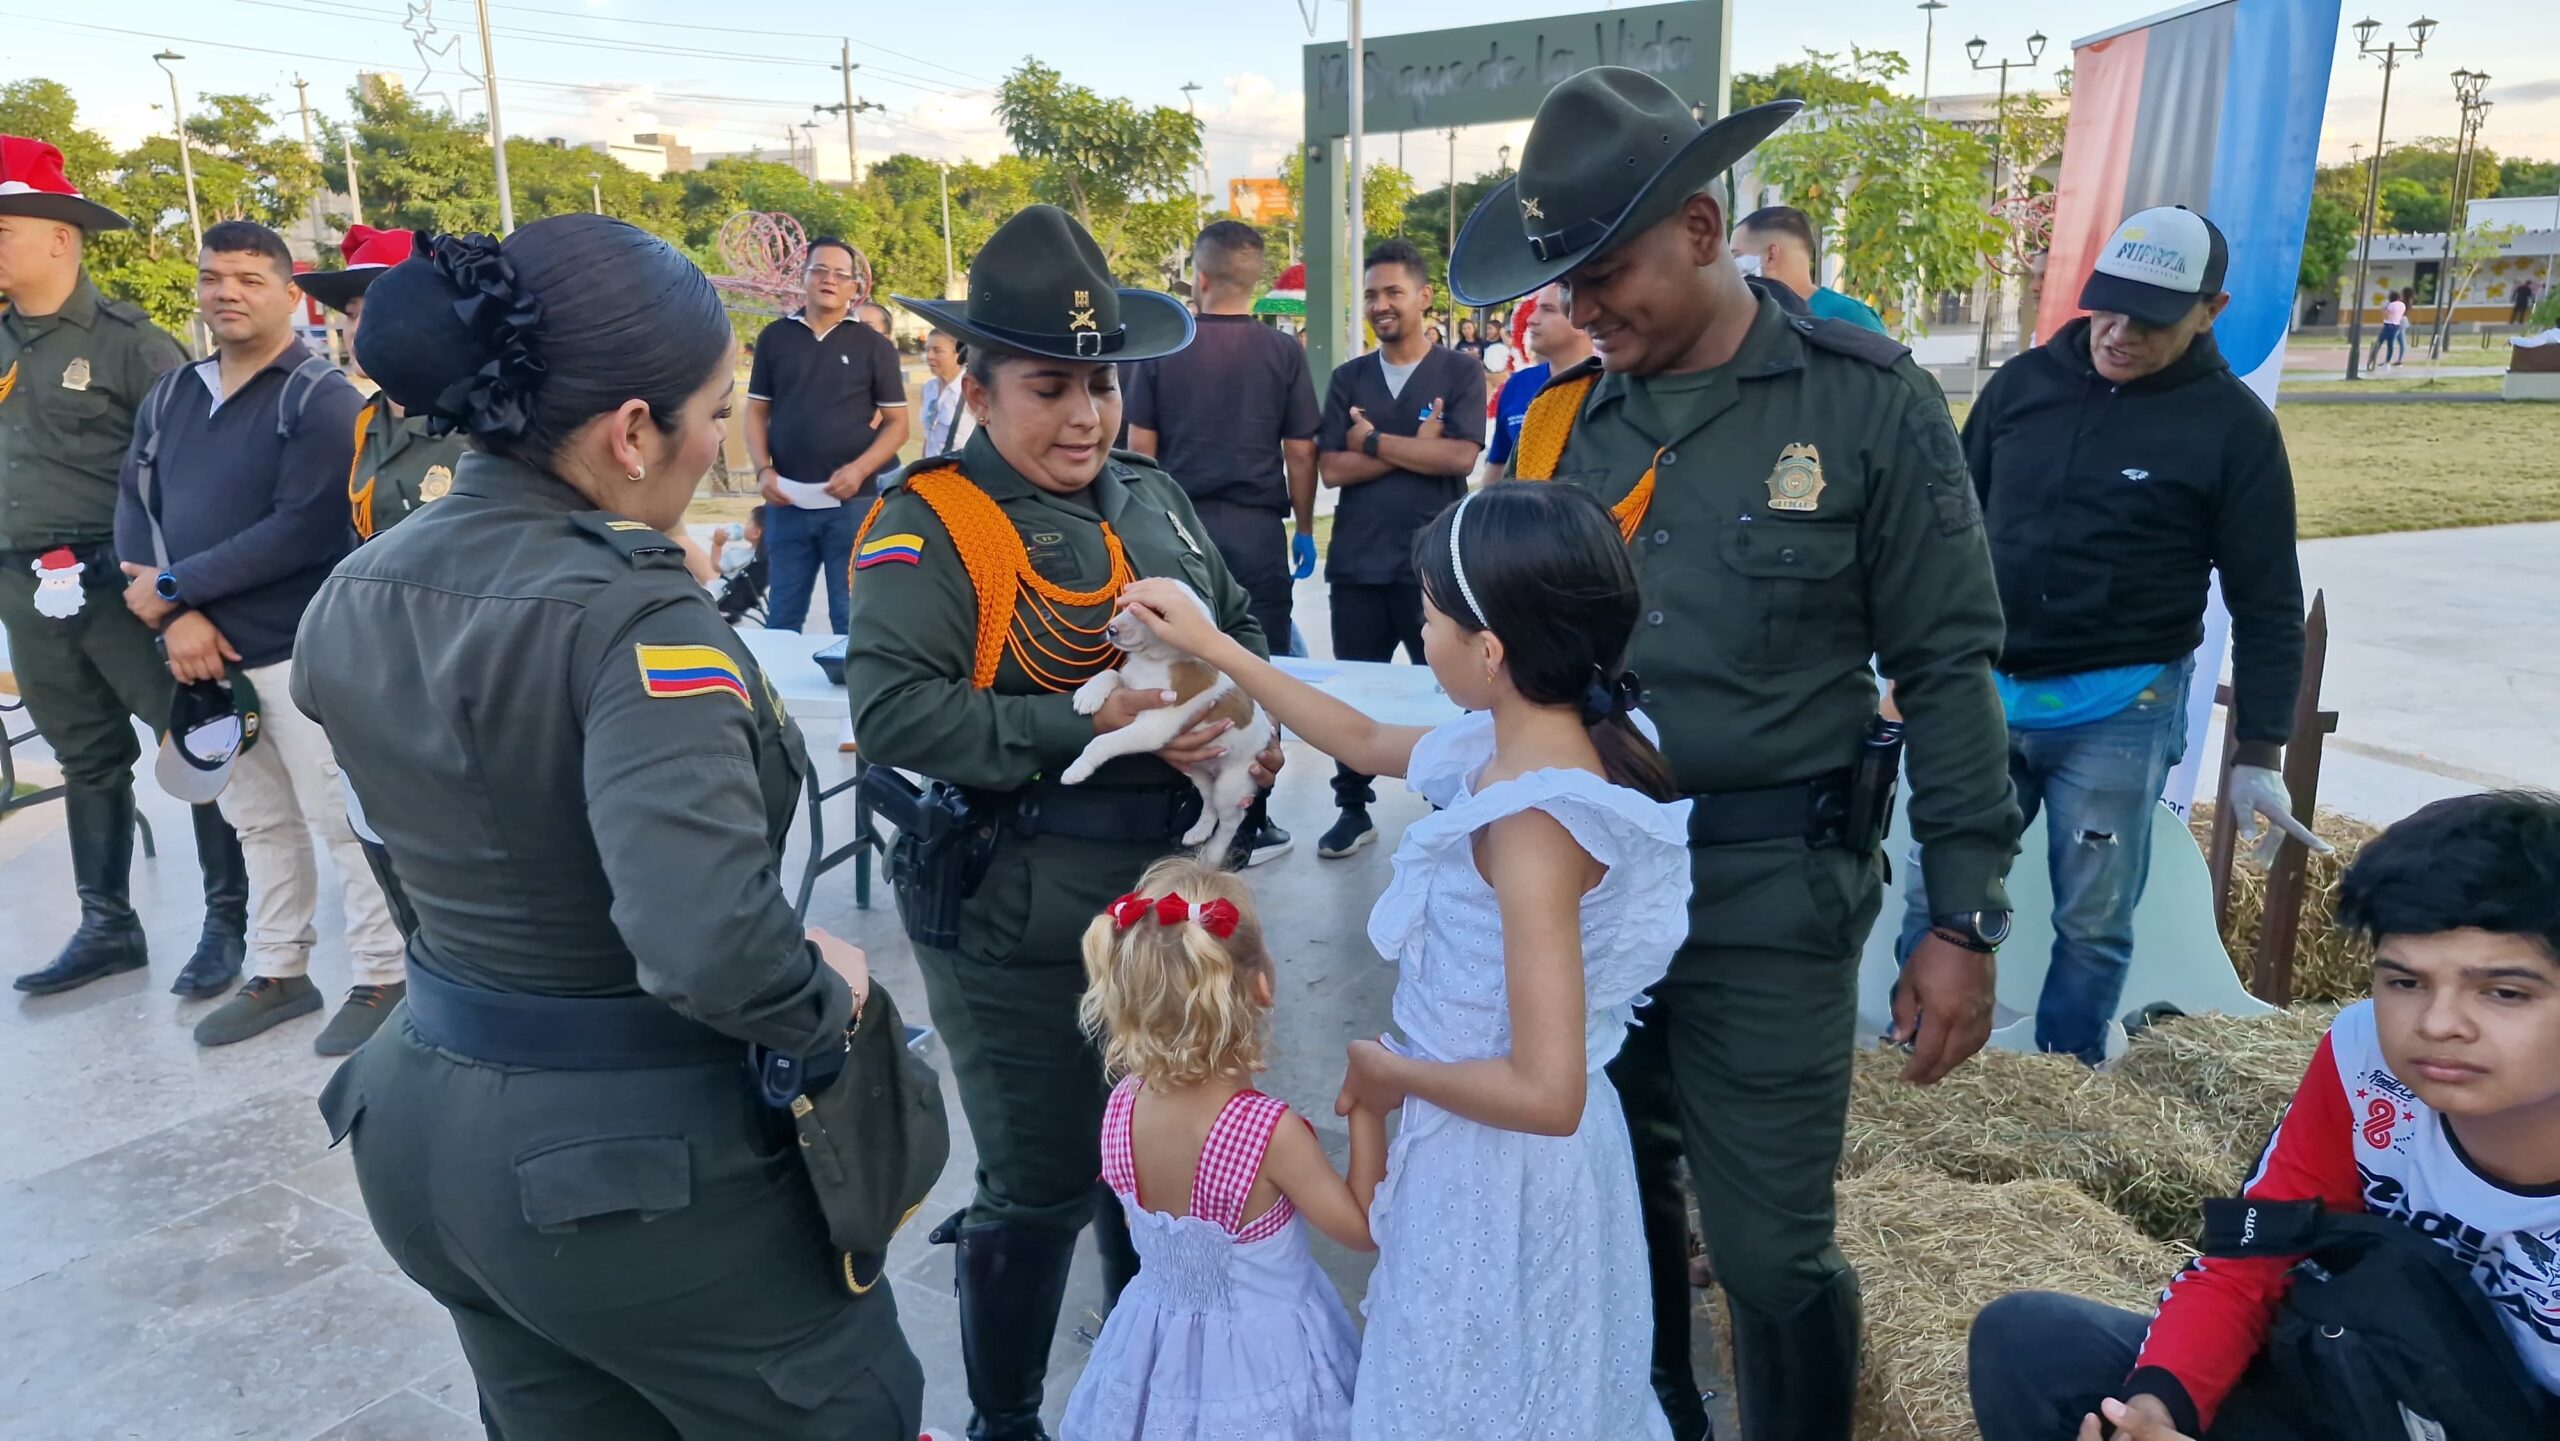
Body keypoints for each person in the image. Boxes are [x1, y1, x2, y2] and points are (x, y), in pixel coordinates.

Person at [1449, 68, 2023, 1441]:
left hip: (1770, 889)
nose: (1584, 310)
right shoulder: (1557, 425)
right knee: (1607, 1192)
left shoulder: (1868, 405)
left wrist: (1966, 914)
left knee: (1768, 1248)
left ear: (1703, 231)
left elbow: (1946, 666)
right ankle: (1658, 1416)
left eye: (1611, 274)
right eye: (1567, 284)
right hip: (1586, 888)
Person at [295, 214, 923, 1438]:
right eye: (709, 411)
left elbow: (398, 860)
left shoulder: (356, 587)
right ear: (633, 431)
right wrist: (827, 996)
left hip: (424, 1126)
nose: (709, 445)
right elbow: (704, 943)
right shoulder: (640, 625)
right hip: (626, 1173)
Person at [1117, 480, 1693, 1440]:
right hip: (1477, 1139)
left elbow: (1548, 1093)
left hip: (1497, 1168)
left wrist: (1389, 1074)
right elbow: (1359, 736)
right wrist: (1213, 645)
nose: (1420, 637)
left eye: (1429, 620)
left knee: (1473, 1390)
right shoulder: (1519, 740)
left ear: (1491, 649)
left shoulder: (1533, 824)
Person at [849, 203, 1283, 1441]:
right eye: (1051, 386)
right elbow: (896, 713)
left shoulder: (1150, 494)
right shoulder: (927, 521)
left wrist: (1225, 702)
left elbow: (1243, 626)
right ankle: (1007, 1420)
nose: (1086, 415)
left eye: (1100, 382)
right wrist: (1097, 729)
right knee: (1038, 1184)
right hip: (1013, 905)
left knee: (1150, 1160)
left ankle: (1142, 1383)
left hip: (1168, 903)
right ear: (977, 389)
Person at [1969, 788, 2560, 1441]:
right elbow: (2251, 1260)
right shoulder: (2367, 1060)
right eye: (2404, 981)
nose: (2439, 1023)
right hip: (2387, 1385)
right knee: (2033, 1344)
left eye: (2504, 992)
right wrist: (2154, 1412)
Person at [1902, 205, 2316, 1066]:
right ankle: (1914, 1055)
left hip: (2120, 705)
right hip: (1987, 693)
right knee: (1942, 886)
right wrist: (1913, 655)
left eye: (2151, 318)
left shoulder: (2233, 428)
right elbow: (1947, 533)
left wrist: (2261, 749)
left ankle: (2067, 1072)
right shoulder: (2021, 388)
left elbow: (2268, 599)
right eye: (2108, 307)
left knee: (2093, 916)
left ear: (2211, 308)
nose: (2119, 333)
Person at [106, 221, 403, 1054]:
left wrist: (173, 587)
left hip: (297, 652)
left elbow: (301, 527)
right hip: (204, 660)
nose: (225, 292)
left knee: (339, 819)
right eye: (211, 277)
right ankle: (280, 968)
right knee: (256, 821)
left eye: (247, 277)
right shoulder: (172, 394)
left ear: (285, 294)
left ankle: (384, 975)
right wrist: (174, 612)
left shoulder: (318, 398)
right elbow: (137, 502)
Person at [0, 134, 250, 1001]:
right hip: (28, 583)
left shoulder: (131, 346)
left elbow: (197, 476)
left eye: (3, 228)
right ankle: (108, 924)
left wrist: (188, 598)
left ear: (61, 238)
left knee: (201, 748)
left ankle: (229, 922)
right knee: (83, 755)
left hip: (126, 583)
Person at [1058, 854, 1376, 1439]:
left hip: (1152, 1350)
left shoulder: (1123, 1103)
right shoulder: (1266, 1131)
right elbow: (1360, 1226)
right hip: (1269, 1360)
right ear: (1262, 986)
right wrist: (1370, 1108)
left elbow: (1144, 1230)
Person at [1124, 219, 1320, 868]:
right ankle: (1251, 819)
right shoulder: (1283, 352)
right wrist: (1304, 524)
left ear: (1200, 278)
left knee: (1173, 669)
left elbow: (1140, 455)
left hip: (1175, 534)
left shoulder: (1160, 351)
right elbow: (1300, 450)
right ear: (1255, 280)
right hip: (1256, 532)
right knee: (1256, 674)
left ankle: (1175, 809)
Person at [1314, 238, 1487, 861]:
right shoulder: (1347, 379)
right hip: (1358, 561)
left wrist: (1374, 441)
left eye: (1392, 292)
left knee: (1453, 690)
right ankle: (1351, 808)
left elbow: (1461, 455)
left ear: (1423, 297)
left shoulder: (1460, 372)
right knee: (1352, 691)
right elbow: (1331, 469)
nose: (1380, 305)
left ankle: (1454, 808)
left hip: (1434, 569)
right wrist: (1411, 445)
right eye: (1370, 295)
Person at [745, 235, 909, 635]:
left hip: (852, 503)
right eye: (820, 269)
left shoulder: (874, 347)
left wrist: (859, 469)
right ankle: (778, 697)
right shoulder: (775, 338)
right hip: (787, 500)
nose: (829, 279)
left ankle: (854, 697)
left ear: (855, 287)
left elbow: (898, 424)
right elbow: (755, 411)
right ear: (804, 277)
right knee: (782, 616)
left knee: (850, 615)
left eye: (840, 273)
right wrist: (763, 471)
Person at [299, 224, 470, 541]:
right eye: (352, 314)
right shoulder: (371, 421)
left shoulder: (472, 421)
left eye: (377, 310)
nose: (357, 330)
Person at [1481, 281, 1590, 479]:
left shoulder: (1613, 384)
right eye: (1535, 309)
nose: (1531, 319)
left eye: (1547, 310)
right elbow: (1498, 465)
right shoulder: (1517, 385)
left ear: (1580, 320)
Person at [1731, 205, 1889, 334]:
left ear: (1770, 255)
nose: (1732, 267)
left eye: (1736, 256)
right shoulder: (1749, 320)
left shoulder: (1853, 317)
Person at [918, 326, 977, 455]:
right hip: (933, 471)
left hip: (962, 471)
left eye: (937, 351)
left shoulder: (972, 390)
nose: (929, 356)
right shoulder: (928, 388)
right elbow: (929, 437)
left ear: (958, 353)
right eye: (927, 350)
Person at [2370, 288, 2409, 370]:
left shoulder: (2391, 305)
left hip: (2388, 325)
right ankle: (2387, 363)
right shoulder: (2402, 305)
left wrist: (2383, 311)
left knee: (2379, 342)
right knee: (2390, 345)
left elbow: (2386, 315)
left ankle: (2372, 360)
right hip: (2397, 326)